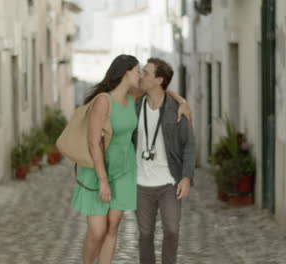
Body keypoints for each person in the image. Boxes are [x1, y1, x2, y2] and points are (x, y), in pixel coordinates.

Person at [71, 55, 191, 264]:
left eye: (144, 72)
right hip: (99, 170)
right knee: (98, 231)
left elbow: (161, 91)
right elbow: (93, 143)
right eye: (138, 71)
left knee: (113, 227)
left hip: (124, 169)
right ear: (126, 72)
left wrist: (182, 102)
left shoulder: (132, 97)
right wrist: (102, 180)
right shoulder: (107, 100)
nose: (141, 75)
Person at [133, 58, 196, 264]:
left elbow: (189, 145)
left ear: (159, 79)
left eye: (147, 73)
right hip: (141, 183)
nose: (141, 76)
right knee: (145, 235)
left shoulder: (176, 110)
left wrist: (186, 178)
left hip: (170, 182)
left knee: (171, 230)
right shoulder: (135, 106)